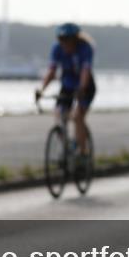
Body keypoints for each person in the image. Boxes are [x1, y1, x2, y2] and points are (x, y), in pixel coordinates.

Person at [35, 23, 96, 159]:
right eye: (60, 40)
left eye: (66, 40)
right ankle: (66, 146)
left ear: (75, 39)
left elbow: (86, 71)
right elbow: (51, 72)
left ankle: (83, 153)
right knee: (58, 114)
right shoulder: (57, 49)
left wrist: (81, 89)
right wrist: (41, 90)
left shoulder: (85, 48)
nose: (63, 43)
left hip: (85, 86)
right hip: (67, 85)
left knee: (77, 117)